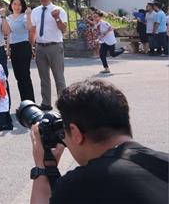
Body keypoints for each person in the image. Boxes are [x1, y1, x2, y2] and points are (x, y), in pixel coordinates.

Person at [28, 79, 168, 204]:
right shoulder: (163, 162)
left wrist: (42, 169)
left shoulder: (81, 185)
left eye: (65, 133)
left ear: (76, 133)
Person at [31, 0, 67, 111]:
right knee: (44, 78)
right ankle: (46, 103)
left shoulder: (59, 10)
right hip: (40, 47)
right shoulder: (35, 11)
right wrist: (32, 46)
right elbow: (33, 30)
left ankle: (63, 105)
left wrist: (57, 18)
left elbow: (63, 29)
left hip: (55, 46)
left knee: (59, 77)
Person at [3, 0, 35, 102]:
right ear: (11, 5)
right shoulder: (8, 18)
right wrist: (8, 48)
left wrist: (29, 15)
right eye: (15, 4)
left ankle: (30, 102)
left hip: (23, 46)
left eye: (19, 4)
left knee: (25, 75)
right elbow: (8, 34)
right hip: (14, 48)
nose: (17, 7)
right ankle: (24, 102)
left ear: (23, 6)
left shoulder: (24, 16)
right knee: (18, 77)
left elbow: (29, 28)